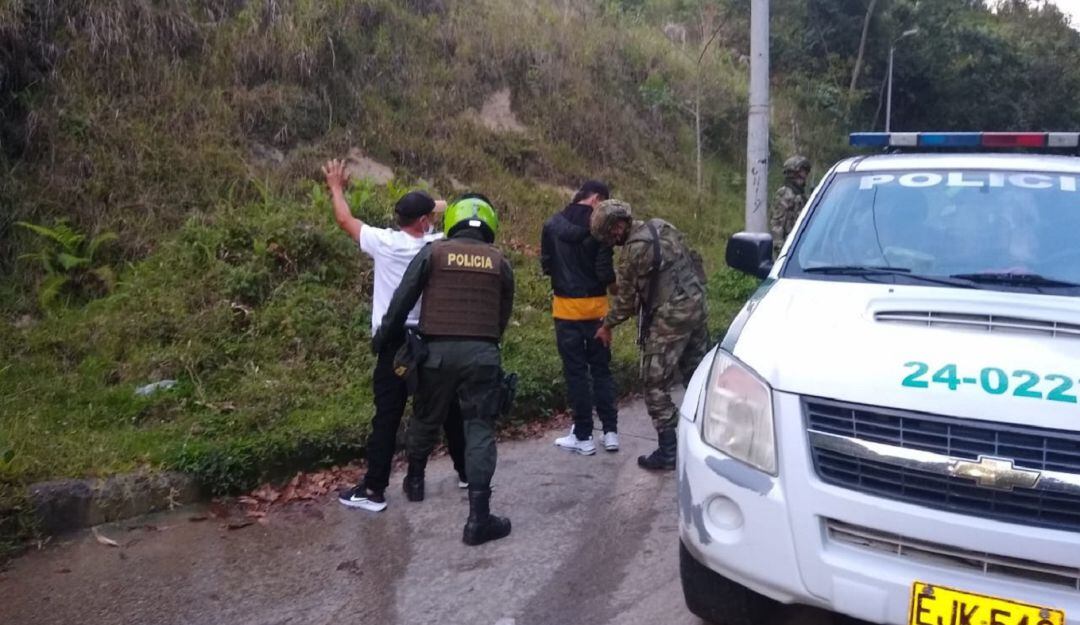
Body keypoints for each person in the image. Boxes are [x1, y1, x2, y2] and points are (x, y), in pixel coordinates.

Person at [322, 159, 467, 513]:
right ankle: (467, 472)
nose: (434, 219)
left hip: (394, 345)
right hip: (431, 340)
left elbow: (344, 220)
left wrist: (336, 188)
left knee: (387, 415)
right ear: (423, 222)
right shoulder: (438, 246)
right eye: (431, 214)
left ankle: (373, 490)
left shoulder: (384, 243)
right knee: (447, 407)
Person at [373, 194, 515, 546]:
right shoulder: (500, 262)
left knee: (426, 415)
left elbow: (402, 300)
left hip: (434, 353)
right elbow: (502, 315)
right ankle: (478, 519)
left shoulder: (433, 253)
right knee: (480, 428)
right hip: (482, 354)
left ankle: (416, 481)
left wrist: (384, 338)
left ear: (452, 221)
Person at [591, 200, 709, 472]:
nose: (610, 242)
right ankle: (709, 439)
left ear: (618, 226)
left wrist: (606, 325)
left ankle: (669, 450)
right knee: (697, 376)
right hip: (698, 307)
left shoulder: (633, 250)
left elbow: (626, 303)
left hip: (671, 317)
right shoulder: (661, 225)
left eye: (610, 235)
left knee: (654, 383)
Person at [540, 181, 619, 455]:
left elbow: (546, 265)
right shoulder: (600, 229)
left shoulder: (551, 225)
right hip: (597, 310)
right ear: (596, 199)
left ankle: (583, 437)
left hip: (565, 309)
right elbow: (604, 271)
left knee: (575, 373)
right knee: (601, 370)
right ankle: (610, 432)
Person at [770, 155, 812, 258]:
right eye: (802, 172)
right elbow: (777, 226)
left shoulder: (801, 196)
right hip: (787, 251)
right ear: (793, 173)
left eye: (805, 172)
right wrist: (782, 253)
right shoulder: (784, 195)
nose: (804, 175)